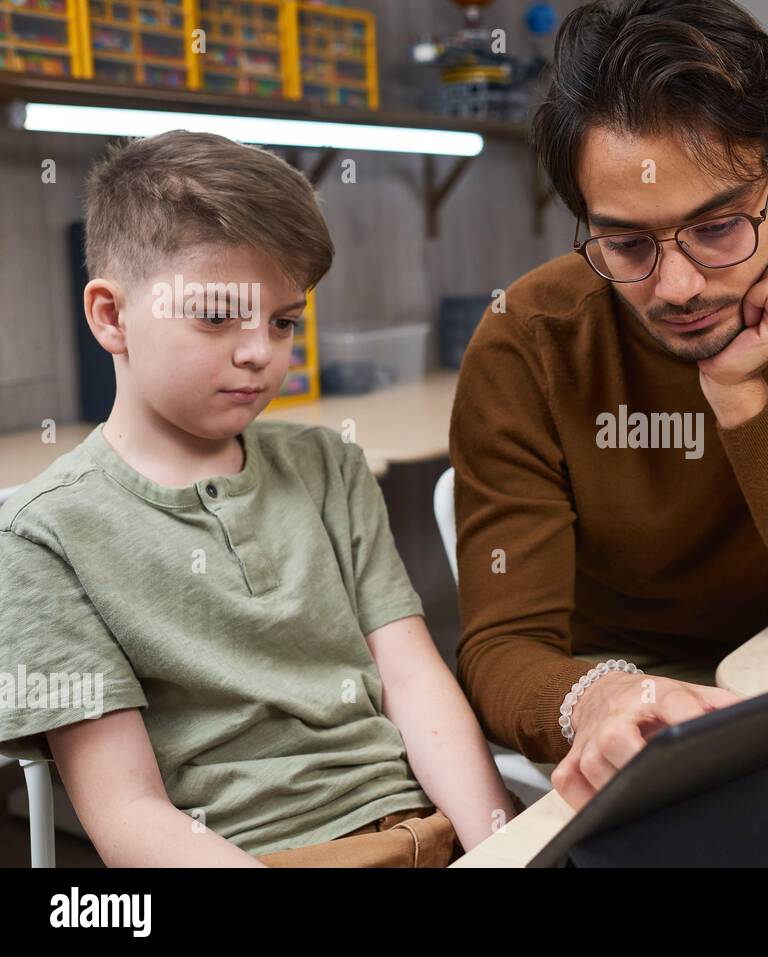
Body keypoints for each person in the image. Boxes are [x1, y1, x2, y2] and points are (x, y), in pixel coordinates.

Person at [450, 0, 768, 808]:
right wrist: (604, 696)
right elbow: (505, 647)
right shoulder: (527, 338)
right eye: (627, 244)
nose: (677, 288)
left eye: (717, 228)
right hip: (634, 711)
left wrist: (739, 392)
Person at [0, 131, 515, 867]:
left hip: (421, 827)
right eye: (216, 315)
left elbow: (413, 676)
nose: (261, 353)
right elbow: (126, 811)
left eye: (283, 321)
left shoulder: (329, 466)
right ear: (111, 316)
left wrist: (499, 845)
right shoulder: (43, 536)